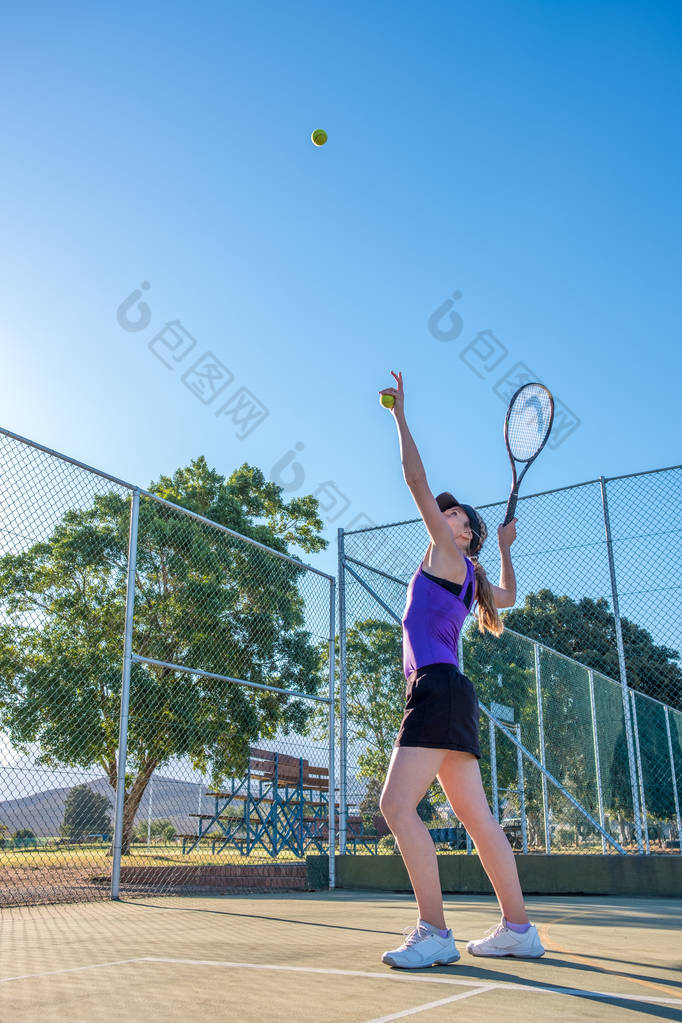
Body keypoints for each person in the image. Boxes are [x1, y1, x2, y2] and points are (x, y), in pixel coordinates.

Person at [377, 370, 544, 969]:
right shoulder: (471, 575)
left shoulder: (451, 558)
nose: (443, 515)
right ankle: (518, 929)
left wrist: (399, 414)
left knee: (395, 809)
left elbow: (414, 479)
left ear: (461, 535)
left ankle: (434, 932)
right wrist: (503, 549)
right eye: (443, 515)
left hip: (437, 689)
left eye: (455, 517)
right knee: (477, 819)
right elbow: (509, 599)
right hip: (452, 694)